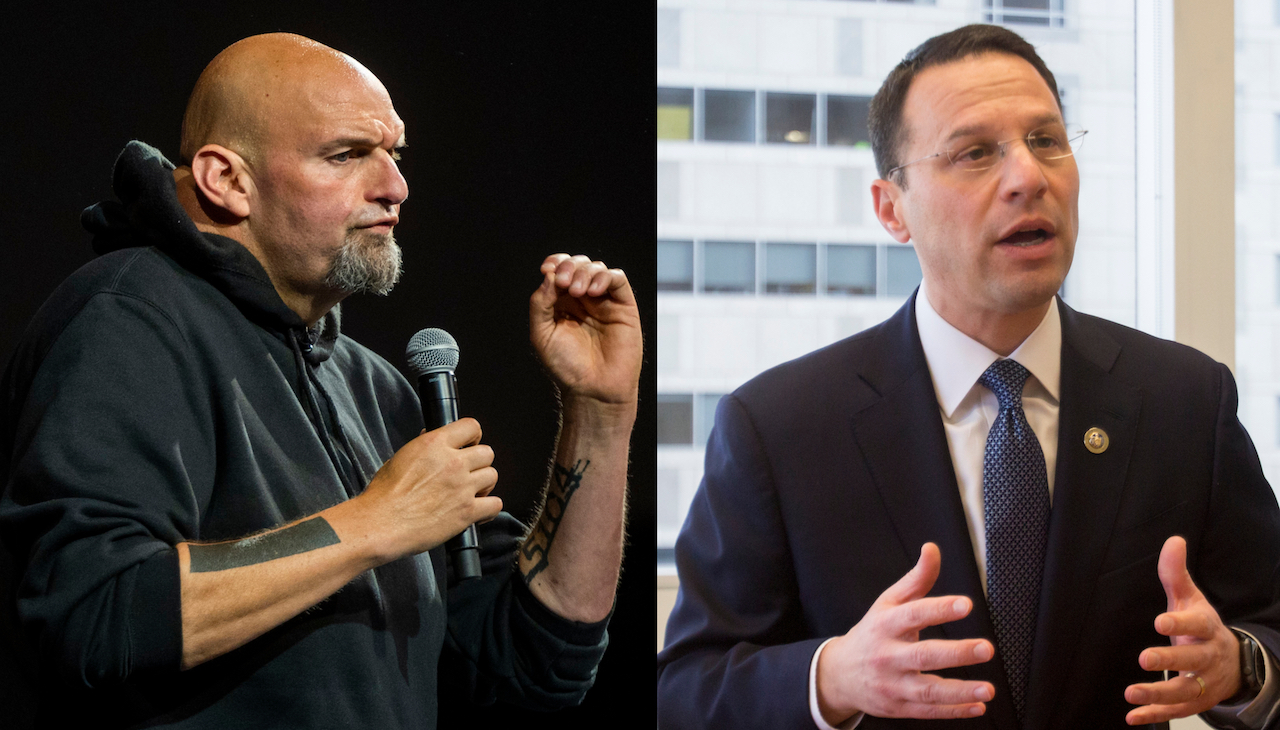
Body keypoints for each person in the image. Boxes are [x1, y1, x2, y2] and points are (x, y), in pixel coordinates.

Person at [0, 33, 642, 729]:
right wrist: (375, 523)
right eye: (346, 155)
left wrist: (600, 415)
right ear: (227, 181)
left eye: (393, 156)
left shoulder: (375, 386)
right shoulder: (126, 320)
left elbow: (538, 660)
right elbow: (93, 614)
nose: (395, 188)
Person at [657, 23, 1280, 730]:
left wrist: (1241, 665)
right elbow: (684, 689)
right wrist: (832, 676)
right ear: (892, 209)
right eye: (976, 153)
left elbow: (1267, 623)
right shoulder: (778, 426)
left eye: (1047, 141)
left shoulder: (1184, 401)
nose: (1028, 177)